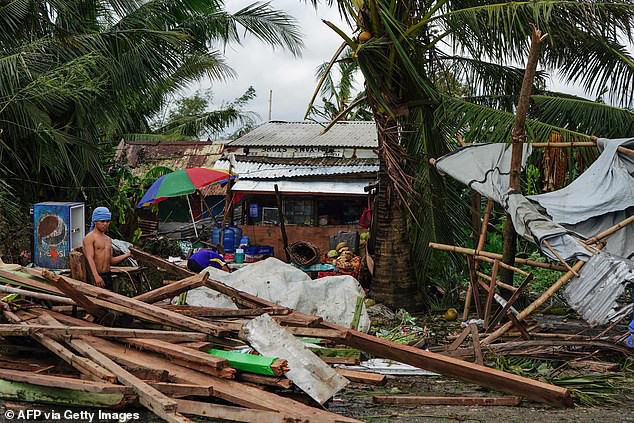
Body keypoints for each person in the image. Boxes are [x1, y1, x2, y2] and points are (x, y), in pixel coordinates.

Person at [83, 207, 131, 290]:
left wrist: (128, 255)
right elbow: (89, 257)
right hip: (95, 276)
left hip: (107, 275)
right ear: (95, 221)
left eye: (107, 221)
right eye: (102, 221)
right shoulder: (90, 237)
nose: (105, 224)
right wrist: (96, 276)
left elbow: (110, 261)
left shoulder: (108, 240)